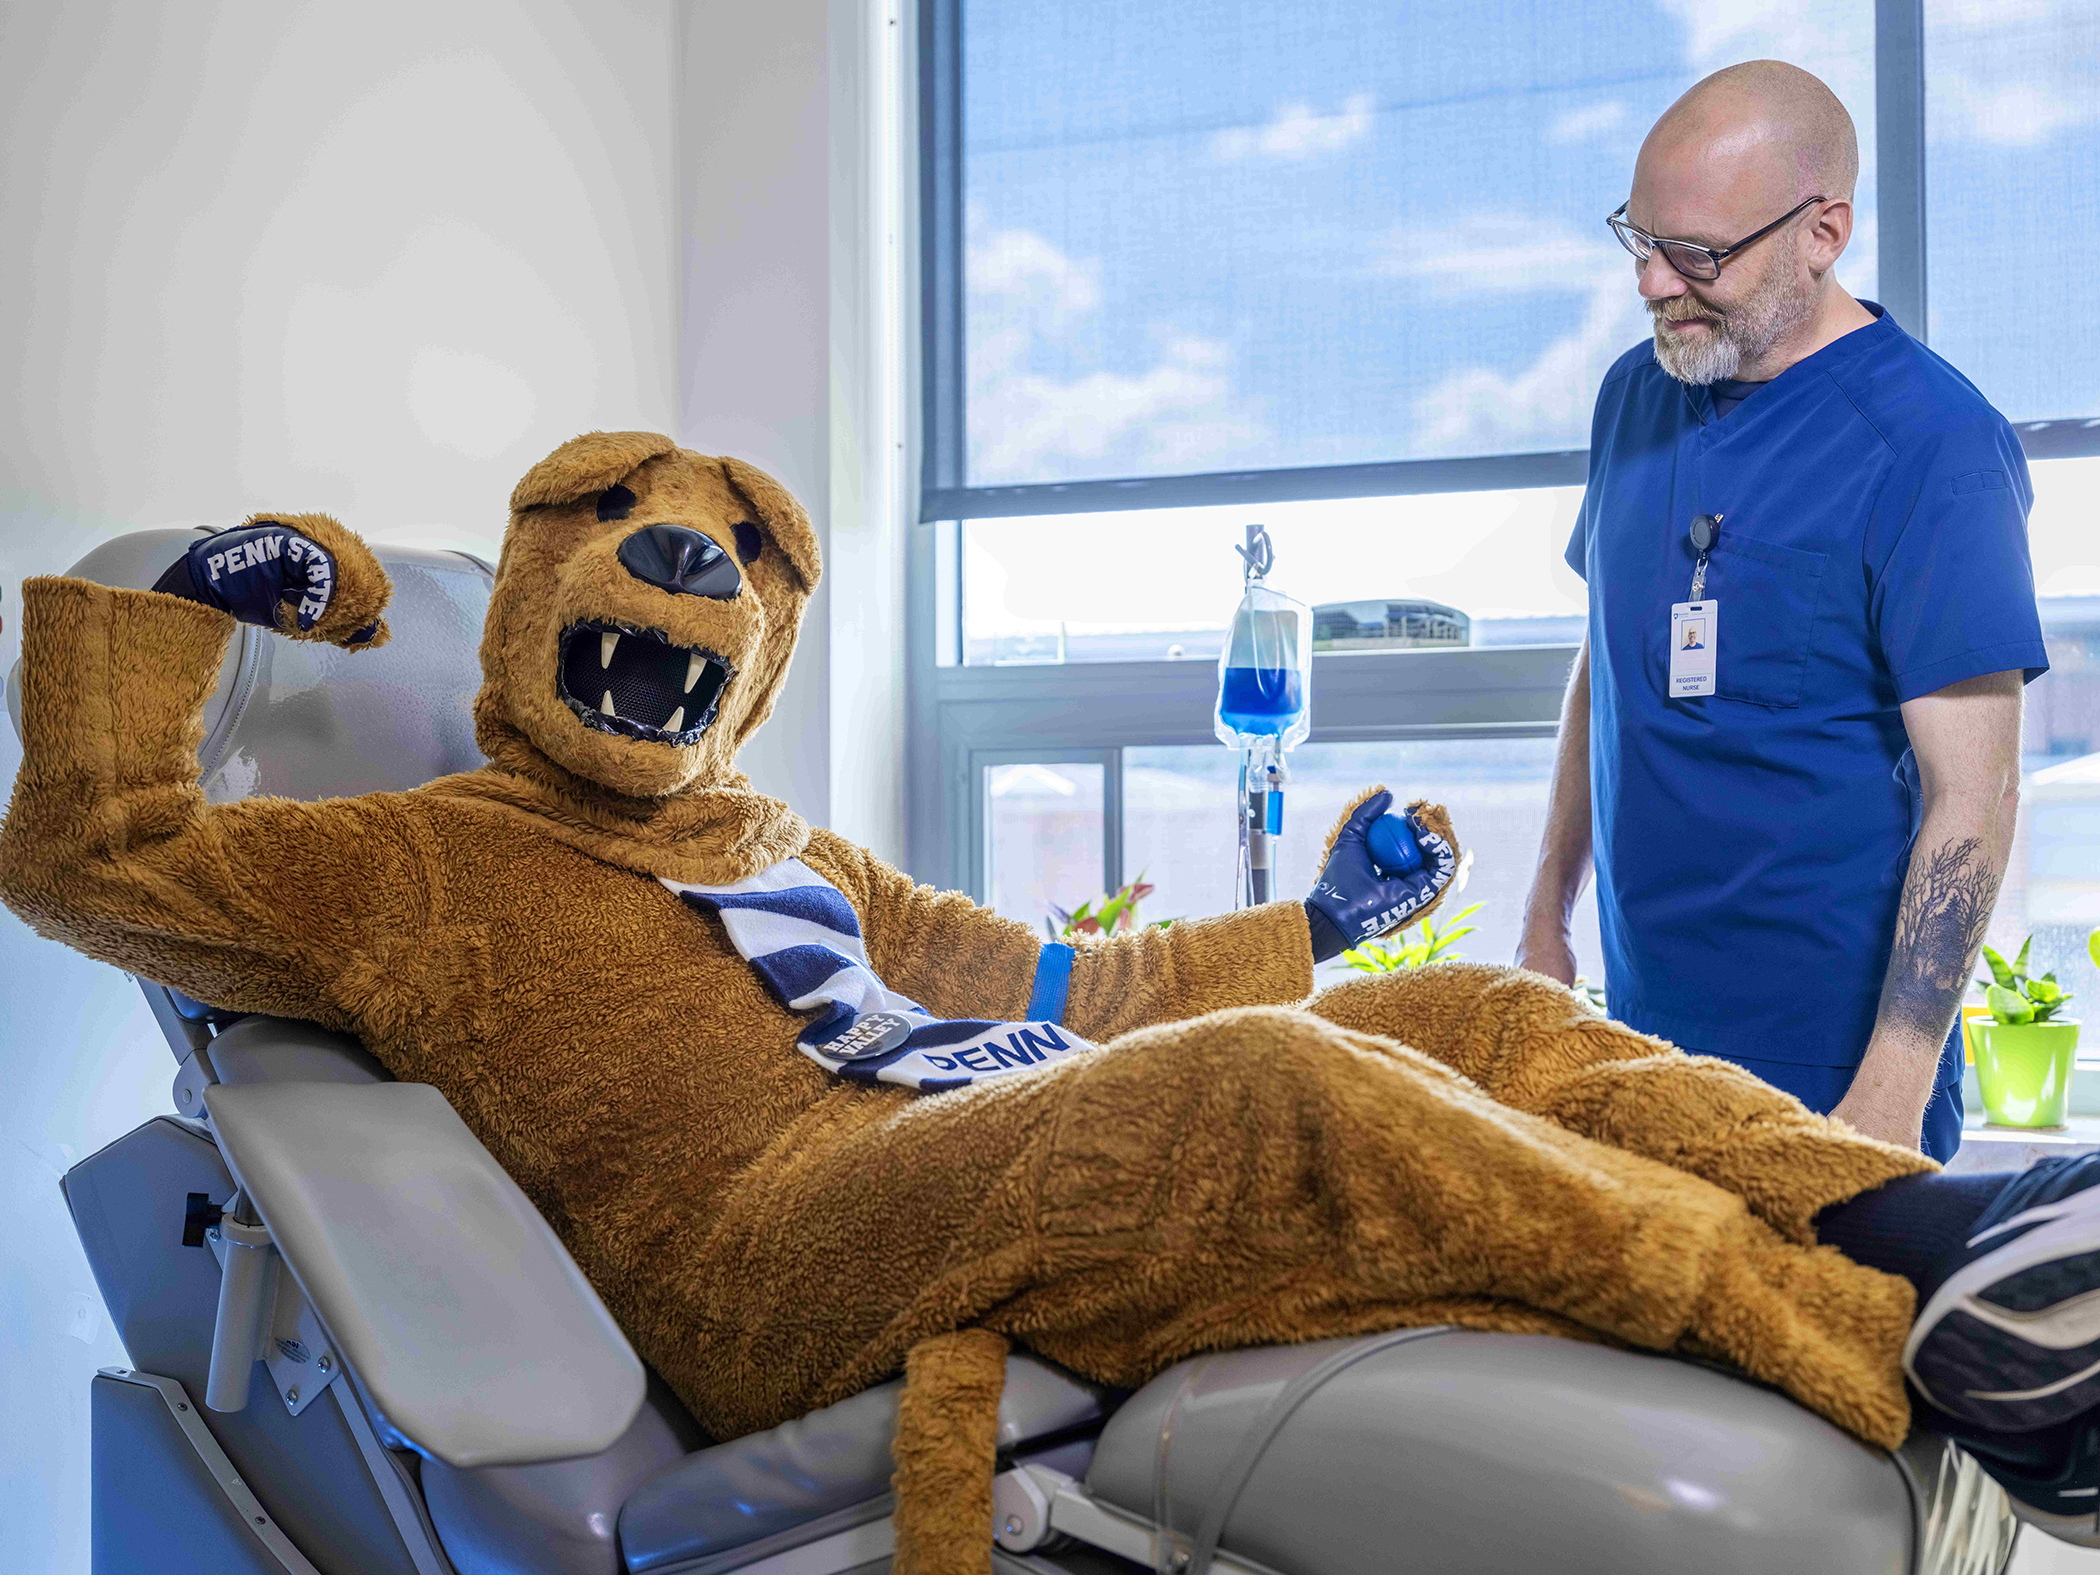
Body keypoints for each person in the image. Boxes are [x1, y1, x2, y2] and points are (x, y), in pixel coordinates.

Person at [1518, 60, 2048, 1165]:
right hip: (1634, 1043)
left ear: (1824, 232)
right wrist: (1545, 922)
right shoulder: (1637, 393)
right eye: (1640, 238)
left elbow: (1975, 795)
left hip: (1833, 1073)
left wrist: (1893, 1092)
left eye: (1700, 254)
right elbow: (1606, 669)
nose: (1656, 283)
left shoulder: (1934, 446)